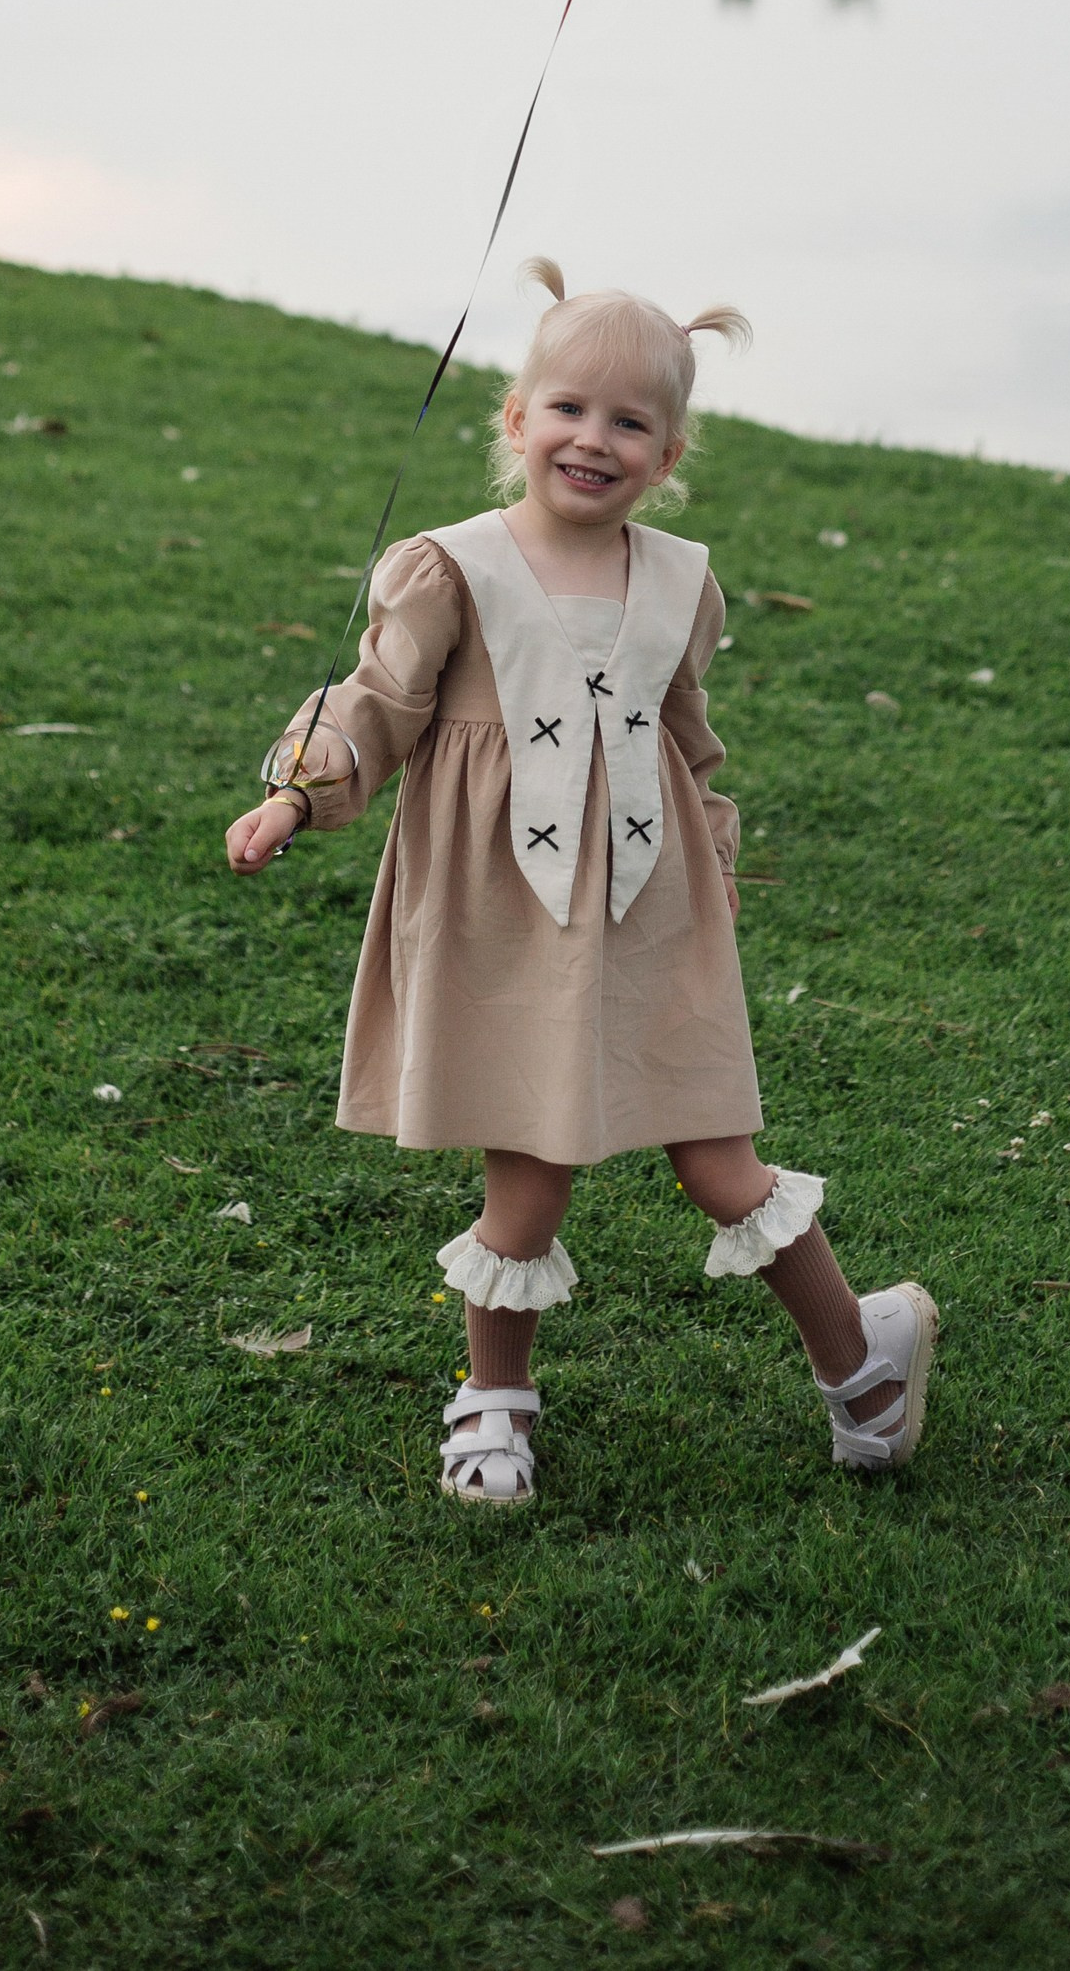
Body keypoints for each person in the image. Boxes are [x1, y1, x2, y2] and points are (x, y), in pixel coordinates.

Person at [224, 260, 937, 1507]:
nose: (593, 439)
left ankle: (866, 1374)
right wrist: (298, 787)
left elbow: (687, 741)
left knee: (723, 1162)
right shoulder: (451, 566)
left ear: (668, 454)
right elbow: (376, 705)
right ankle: (492, 1402)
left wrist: (712, 856)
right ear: (515, 417)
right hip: (503, 914)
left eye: (630, 423)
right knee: (530, 1178)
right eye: (568, 409)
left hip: (653, 909)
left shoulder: (679, 579)